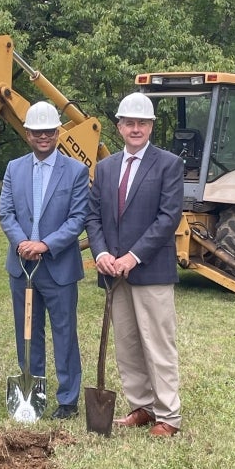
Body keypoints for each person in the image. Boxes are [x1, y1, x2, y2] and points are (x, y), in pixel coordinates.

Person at [85, 92, 184, 437]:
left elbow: (168, 218)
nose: (136, 128)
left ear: (151, 126)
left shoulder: (168, 164)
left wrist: (133, 256)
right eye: (130, 122)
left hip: (151, 271)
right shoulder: (107, 166)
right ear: (120, 126)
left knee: (157, 343)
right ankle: (141, 406)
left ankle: (168, 415)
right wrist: (101, 254)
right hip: (114, 274)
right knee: (127, 344)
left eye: (142, 123)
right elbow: (92, 216)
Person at [0, 101, 90, 419]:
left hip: (58, 267)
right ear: (27, 133)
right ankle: (32, 393)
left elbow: (78, 218)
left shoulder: (76, 171)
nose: (44, 137)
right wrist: (22, 242)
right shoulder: (14, 168)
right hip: (22, 266)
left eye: (49, 131)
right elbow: (6, 212)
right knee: (27, 333)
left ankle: (67, 399)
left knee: (64, 333)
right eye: (37, 131)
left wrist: (45, 245)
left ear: (57, 132)